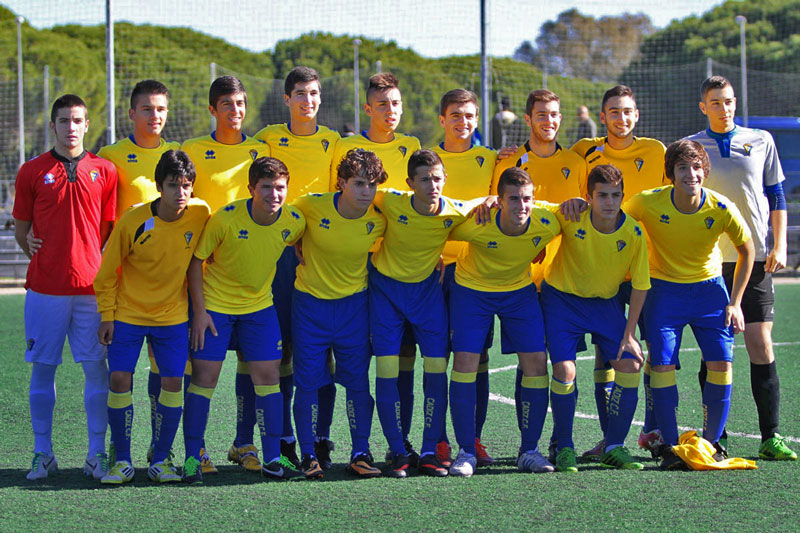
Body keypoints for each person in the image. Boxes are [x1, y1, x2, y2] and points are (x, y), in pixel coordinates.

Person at [624, 140, 754, 469]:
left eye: (697, 167)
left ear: (705, 172)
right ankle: (669, 445)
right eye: (683, 167)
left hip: (710, 293)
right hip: (664, 292)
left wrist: (736, 302)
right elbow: (614, 223)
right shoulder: (647, 202)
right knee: (663, 363)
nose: (691, 174)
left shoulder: (721, 207)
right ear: (671, 173)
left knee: (721, 363)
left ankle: (711, 444)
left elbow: (747, 249)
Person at [685, 76, 796, 461]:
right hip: (710, 263)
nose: (723, 107)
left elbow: (776, 195)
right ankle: (717, 435)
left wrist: (778, 244)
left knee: (760, 344)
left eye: (728, 101)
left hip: (757, 258)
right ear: (703, 106)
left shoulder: (761, 140)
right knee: (714, 351)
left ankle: (771, 437)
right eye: (715, 102)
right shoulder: (692, 147)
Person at [14, 94, 117, 481]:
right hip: (44, 291)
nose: (70, 127)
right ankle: (43, 453)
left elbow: (106, 230)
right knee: (42, 371)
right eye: (63, 120)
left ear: (87, 124)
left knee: (97, 371)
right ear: (53, 126)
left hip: (92, 291)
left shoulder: (105, 170)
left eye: (77, 120)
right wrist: (38, 252)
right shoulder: (31, 171)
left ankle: (96, 454)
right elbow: (22, 231)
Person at [184, 157, 305, 483]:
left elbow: (302, 240)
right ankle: (193, 459)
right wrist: (200, 312)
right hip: (216, 309)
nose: (274, 194)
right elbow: (196, 262)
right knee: (204, 379)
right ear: (251, 188)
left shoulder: (293, 220)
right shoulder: (224, 219)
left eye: (280, 187)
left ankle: (274, 459)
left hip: (259, 308)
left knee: (269, 377)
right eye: (266, 187)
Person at [94, 150, 210, 484]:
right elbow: (106, 273)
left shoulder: (200, 214)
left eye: (187, 185)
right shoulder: (133, 220)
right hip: (129, 314)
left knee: (173, 382)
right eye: (173, 185)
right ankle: (123, 460)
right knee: (119, 380)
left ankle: (160, 459)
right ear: (159, 187)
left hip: (172, 317)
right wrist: (107, 315)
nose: (181, 193)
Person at [570, 85, 666, 459]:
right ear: (603, 115)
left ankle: (654, 432)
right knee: (606, 354)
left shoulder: (655, 151)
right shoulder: (585, 151)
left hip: (648, 266)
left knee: (656, 351)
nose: (621, 118)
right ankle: (611, 439)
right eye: (613, 112)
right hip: (603, 269)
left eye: (627, 111)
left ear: (636, 114)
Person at [370, 149, 479, 477]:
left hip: (427, 296)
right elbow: (350, 196)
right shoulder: (389, 200)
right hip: (386, 294)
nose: (432, 185)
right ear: (410, 183)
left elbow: (484, 202)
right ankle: (398, 450)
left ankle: (431, 449)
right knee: (387, 372)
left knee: (435, 372)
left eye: (437, 178)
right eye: (424, 179)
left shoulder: (453, 211)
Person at [181, 76, 270, 474]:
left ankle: (243, 441)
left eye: (241, 103)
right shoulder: (193, 150)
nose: (236, 111)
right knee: (196, 367)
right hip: (206, 274)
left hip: (252, 279)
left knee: (252, 365)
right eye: (227, 104)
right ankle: (188, 448)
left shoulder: (259, 150)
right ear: (212, 109)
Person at [447, 168, 560, 477]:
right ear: (498, 200)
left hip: (518, 293)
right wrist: (475, 203)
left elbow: (569, 211)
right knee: (465, 363)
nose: (521, 206)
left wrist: (576, 201)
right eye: (513, 199)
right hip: (472, 291)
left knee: (537, 363)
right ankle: (466, 452)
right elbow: (438, 220)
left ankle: (529, 451)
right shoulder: (478, 221)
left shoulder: (546, 221)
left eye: (527, 199)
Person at [254, 66, 340, 469]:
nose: (308, 101)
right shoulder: (268, 139)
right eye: (300, 94)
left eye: (314, 94)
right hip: (281, 254)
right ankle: (284, 434)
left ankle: (321, 435)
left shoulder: (333, 142)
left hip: (322, 253)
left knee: (323, 352)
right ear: (287, 99)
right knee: (282, 347)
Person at [492, 89, 587, 451]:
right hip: (522, 282)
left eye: (554, 115)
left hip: (566, 280)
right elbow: (491, 207)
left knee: (565, 364)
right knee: (528, 362)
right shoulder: (509, 163)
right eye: (541, 115)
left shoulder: (577, 163)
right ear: (528, 119)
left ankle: (561, 441)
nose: (549, 121)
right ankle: (527, 441)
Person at [542, 164, 650, 473]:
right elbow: (535, 214)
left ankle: (614, 445)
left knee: (630, 362)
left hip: (605, 306)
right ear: (587, 196)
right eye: (601, 195)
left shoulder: (633, 231)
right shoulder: (571, 215)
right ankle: (564, 446)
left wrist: (630, 334)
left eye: (616, 195)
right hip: (563, 301)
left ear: (622, 197)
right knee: (565, 370)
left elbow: (641, 285)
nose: (609, 202)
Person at [97, 80, 182, 463]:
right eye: (147, 109)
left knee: (163, 370)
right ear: (131, 113)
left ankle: (157, 445)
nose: (155, 116)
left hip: (168, 286)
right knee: (120, 372)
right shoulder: (111, 156)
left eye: (161, 109)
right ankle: (119, 447)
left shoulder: (177, 154)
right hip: (127, 284)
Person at [290, 149, 387, 479]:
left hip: (353, 310)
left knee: (358, 383)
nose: (366, 192)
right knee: (307, 384)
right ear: (341, 183)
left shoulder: (379, 218)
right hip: (310, 308)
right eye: (359, 184)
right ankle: (307, 454)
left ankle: (360, 451)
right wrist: (296, 242)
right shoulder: (310, 205)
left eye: (372, 185)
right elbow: (281, 224)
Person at [431, 89, 498, 467]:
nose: (463, 122)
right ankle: (438, 441)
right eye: (455, 115)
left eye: (469, 116)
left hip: (477, 272)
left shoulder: (490, 159)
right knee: (438, 356)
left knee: (477, 357)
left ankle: (473, 437)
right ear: (442, 120)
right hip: (436, 269)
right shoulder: (426, 159)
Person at [329, 72, 421, 191]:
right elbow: (335, 193)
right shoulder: (345, 146)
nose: (391, 110)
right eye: (383, 104)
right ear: (368, 109)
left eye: (395, 103)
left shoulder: (412, 145)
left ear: (401, 107)